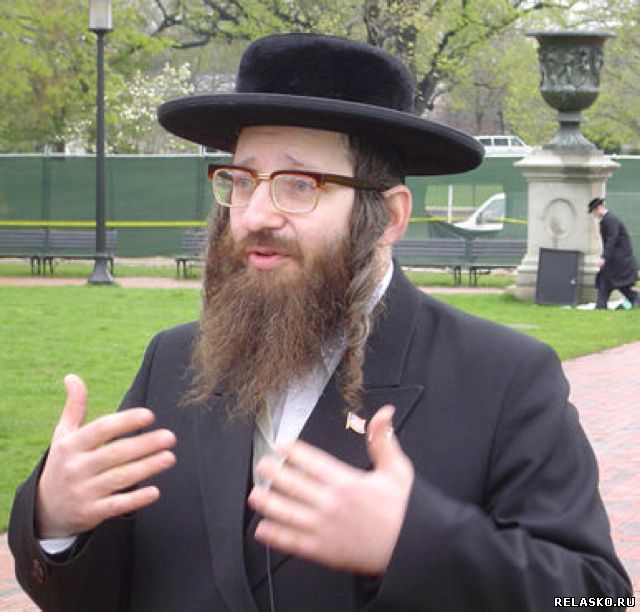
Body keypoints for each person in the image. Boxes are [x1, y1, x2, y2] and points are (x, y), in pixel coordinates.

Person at [10, 34, 631, 611]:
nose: (255, 214)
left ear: (389, 216)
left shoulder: (503, 379)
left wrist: (416, 544)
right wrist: (57, 521)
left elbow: (598, 599)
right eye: (241, 180)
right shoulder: (174, 363)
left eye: (299, 184)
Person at [588, 196, 639, 309]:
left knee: (613, 284)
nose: (594, 215)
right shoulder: (607, 220)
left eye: (593, 212)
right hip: (614, 261)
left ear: (599, 208)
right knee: (606, 283)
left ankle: (601, 306)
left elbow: (612, 239)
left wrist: (604, 257)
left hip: (618, 261)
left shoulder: (610, 220)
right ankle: (601, 306)